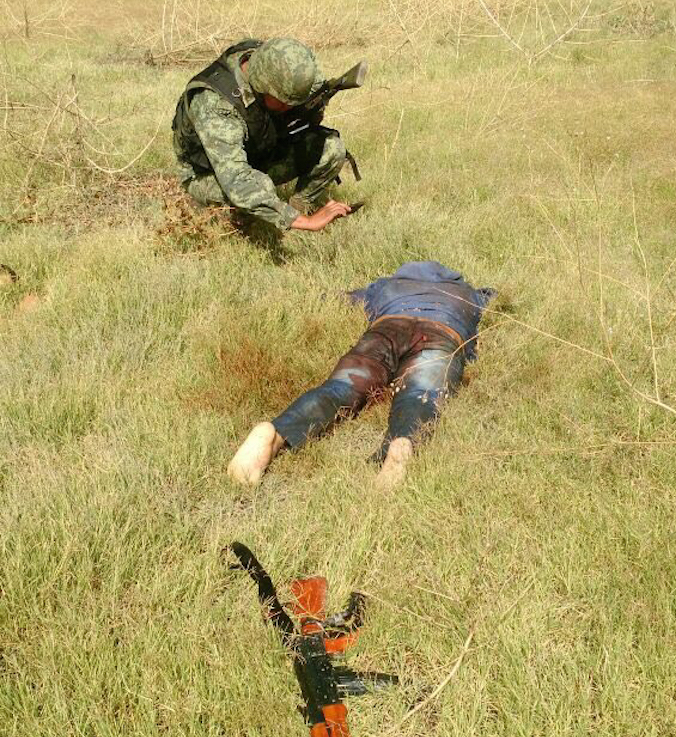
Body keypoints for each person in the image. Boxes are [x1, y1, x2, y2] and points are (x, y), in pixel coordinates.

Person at [228, 261, 495, 491]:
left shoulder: (385, 286)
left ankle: (275, 432)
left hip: (387, 327)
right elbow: (492, 297)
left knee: (339, 388)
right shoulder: (465, 292)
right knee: (418, 395)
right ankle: (403, 442)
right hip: (442, 332)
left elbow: (340, 298)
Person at [172, 37, 353, 234]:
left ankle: (299, 207)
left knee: (331, 149)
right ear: (263, 86)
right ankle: (253, 220)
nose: (289, 107)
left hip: (258, 150)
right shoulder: (215, 106)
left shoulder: (271, 60)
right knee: (256, 186)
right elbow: (237, 181)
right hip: (208, 175)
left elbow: (312, 86)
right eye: (284, 102)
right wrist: (306, 222)